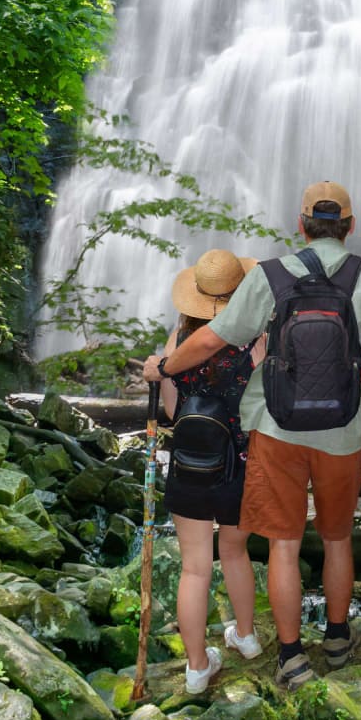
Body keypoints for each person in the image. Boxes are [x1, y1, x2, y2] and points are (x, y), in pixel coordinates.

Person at [144, 181, 361, 690]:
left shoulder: (269, 277)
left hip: (276, 431)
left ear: (300, 225)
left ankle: (290, 656)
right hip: (344, 431)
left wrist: (164, 366)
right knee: (338, 538)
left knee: (283, 545)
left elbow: (213, 338)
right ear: (351, 227)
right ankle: (338, 634)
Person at [155, 249, 265, 694]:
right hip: (239, 465)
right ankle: (246, 636)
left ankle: (198, 666)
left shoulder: (179, 341)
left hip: (189, 465)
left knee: (195, 569)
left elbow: (169, 410)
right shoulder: (253, 340)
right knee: (236, 552)